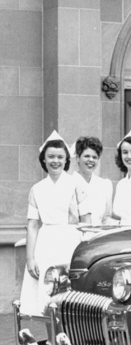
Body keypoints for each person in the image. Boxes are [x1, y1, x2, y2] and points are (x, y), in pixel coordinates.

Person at [19, 131, 91, 316]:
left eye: (60, 157)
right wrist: (30, 258)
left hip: (71, 242)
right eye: (50, 157)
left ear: (66, 159)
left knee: (69, 293)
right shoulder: (37, 189)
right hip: (45, 244)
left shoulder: (76, 185)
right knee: (46, 294)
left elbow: (87, 223)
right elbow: (33, 225)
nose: (55, 161)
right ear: (43, 159)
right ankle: (52, 336)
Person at [73, 136, 113, 225]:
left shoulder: (104, 185)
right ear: (78, 158)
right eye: (87, 156)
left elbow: (106, 218)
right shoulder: (70, 183)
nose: (91, 160)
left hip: (99, 236)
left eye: (94, 157)